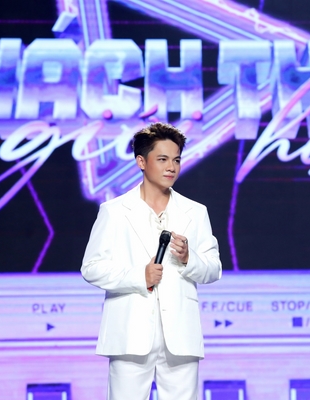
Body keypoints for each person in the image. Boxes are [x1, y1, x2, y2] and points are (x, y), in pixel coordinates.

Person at [81, 122, 222, 400]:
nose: (171, 167)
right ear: (141, 162)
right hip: (129, 333)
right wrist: (139, 276)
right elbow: (92, 268)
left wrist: (189, 258)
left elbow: (213, 269)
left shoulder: (195, 211)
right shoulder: (114, 211)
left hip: (180, 336)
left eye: (176, 160)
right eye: (163, 159)